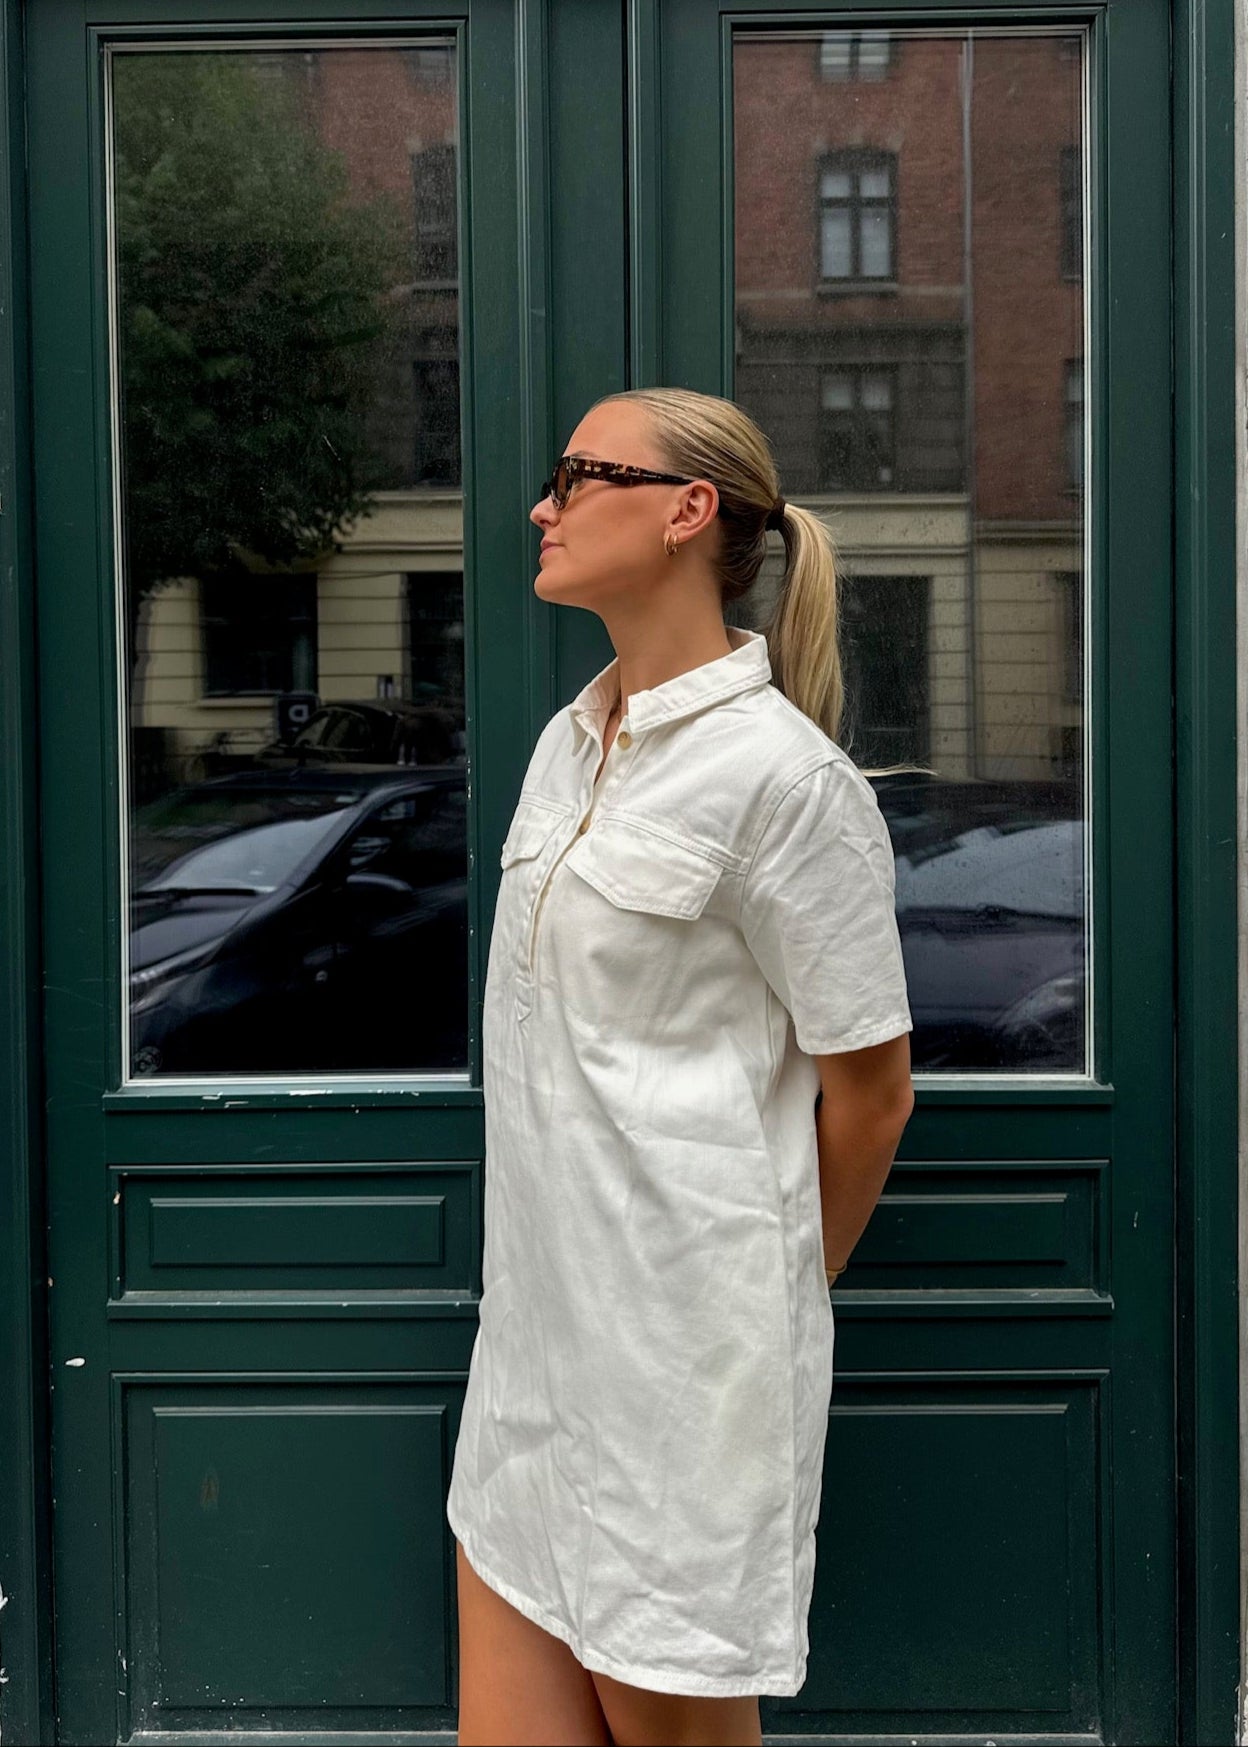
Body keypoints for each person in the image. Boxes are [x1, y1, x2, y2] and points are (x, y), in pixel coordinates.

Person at [447, 387, 917, 1746]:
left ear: (686, 510)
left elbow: (873, 1094)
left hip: (679, 1390)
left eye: (575, 477)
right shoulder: (567, 745)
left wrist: (750, 1303)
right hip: (531, 1366)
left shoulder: (788, 784)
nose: (541, 508)